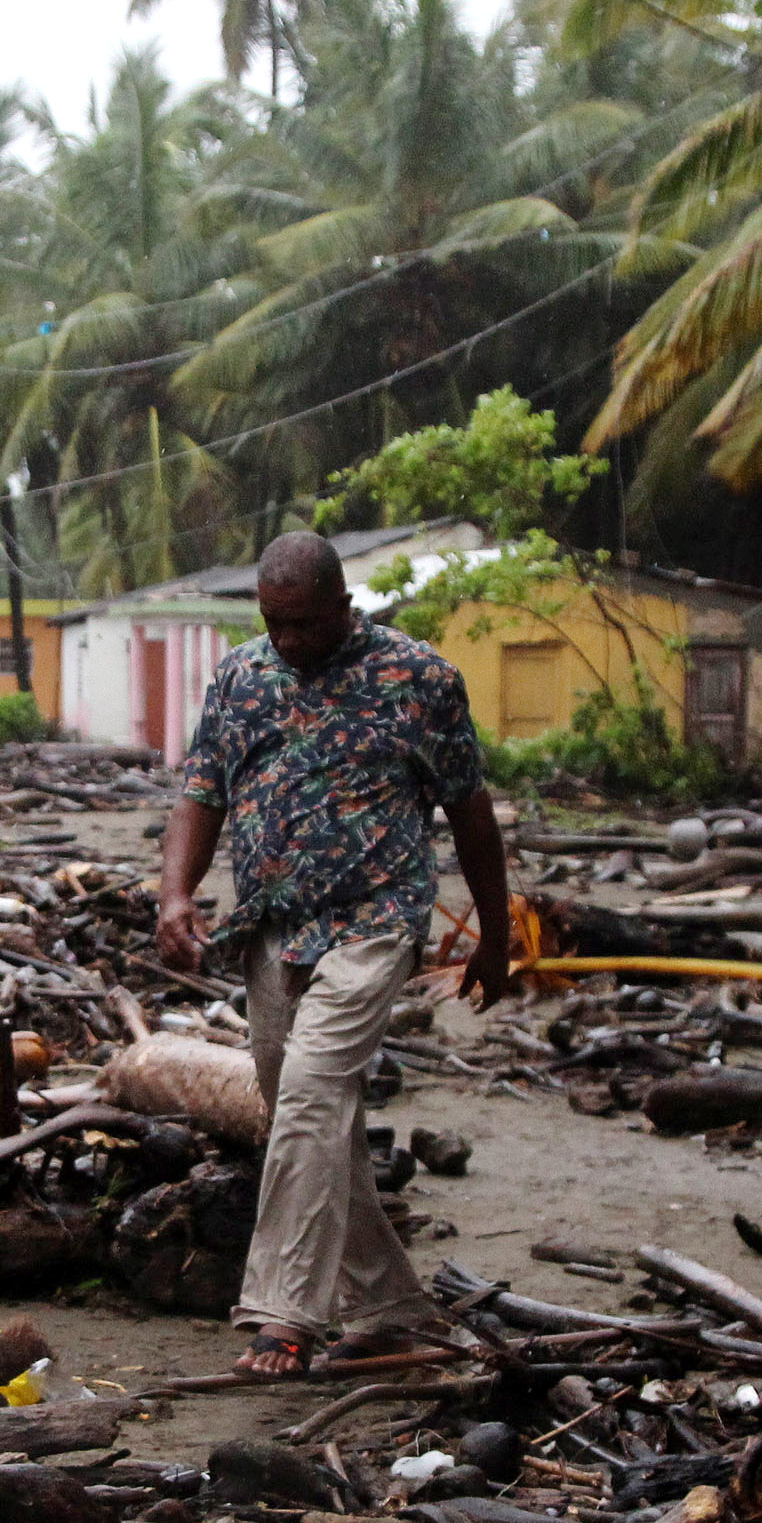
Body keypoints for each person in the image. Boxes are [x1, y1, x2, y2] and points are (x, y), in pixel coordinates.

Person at [156, 531, 514, 1376]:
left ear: (344, 608)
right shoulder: (243, 677)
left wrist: (494, 936)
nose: (287, 641)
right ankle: (394, 1312)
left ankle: (284, 1313)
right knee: (310, 1121)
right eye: (273, 623)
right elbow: (201, 793)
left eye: (304, 625)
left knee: (316, 1087)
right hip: (273, 926)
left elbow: (471, 812)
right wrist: (174, 893)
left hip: (376, 918)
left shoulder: (417, 679)